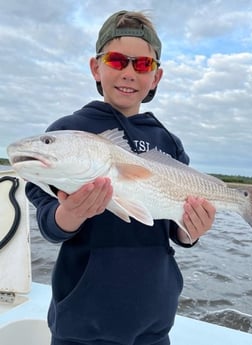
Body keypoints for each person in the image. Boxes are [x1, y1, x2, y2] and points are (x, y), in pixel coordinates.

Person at [26, 10, 216, 345]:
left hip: (154, 324)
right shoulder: (67, 134)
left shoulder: (168, 143)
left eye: (142, 65)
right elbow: (46, 215)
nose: (129, 72)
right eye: (116, 60)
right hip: (80, 324)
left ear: (155, 77)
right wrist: (68, 215)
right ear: (96, 67)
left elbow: (176, 230)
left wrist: (190, 231)